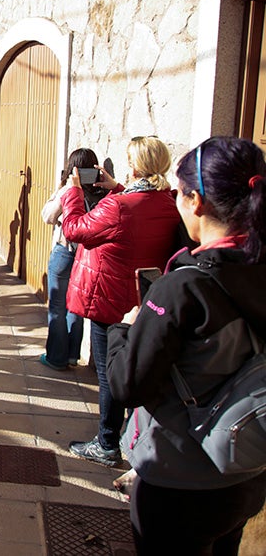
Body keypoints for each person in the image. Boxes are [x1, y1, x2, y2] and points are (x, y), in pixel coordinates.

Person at [107, 136, 266, 554]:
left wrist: (125, 329)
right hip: (246, 468)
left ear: (196, 201)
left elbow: (127, 384)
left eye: (178, 193)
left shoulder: (185, 286)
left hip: (181, 476)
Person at [62, 135, 181, 466]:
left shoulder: (118, 206)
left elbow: (74, 229)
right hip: (143, 299)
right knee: (135, 370)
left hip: (109, 300)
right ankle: (131, 436)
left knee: (109, 374)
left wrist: (73, 190)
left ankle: (107, 442)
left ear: (134, 165)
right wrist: (115, 187)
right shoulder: (168, 201)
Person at [39, 148, 106, 370]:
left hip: (64, 251)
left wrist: (65, 189)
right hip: (89, 255)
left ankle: (56, 357)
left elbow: (48, 216)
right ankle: (71, 355)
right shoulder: (105, 193)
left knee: (58, 306)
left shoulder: (69, 190)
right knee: (76, 306)